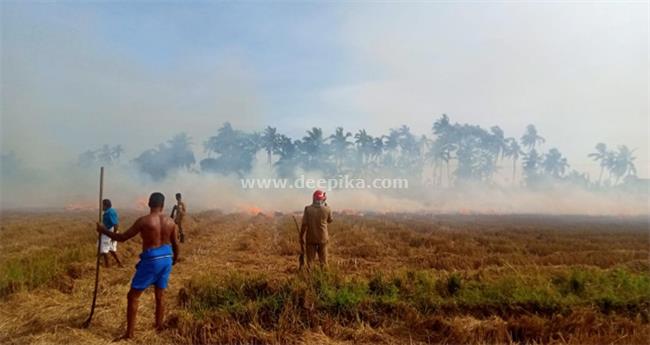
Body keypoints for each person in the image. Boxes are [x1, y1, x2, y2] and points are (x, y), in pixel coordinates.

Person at [96, 192, 179, 340]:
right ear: (163, 205)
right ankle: (159, 326)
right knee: (160, 294)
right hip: (167, 258)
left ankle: (129, 334)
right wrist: (174, 259)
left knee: (133, 296)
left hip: (151, 260)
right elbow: (176, 244)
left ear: (149, 204)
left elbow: (122, 238)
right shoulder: (171, 222)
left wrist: (103, 230)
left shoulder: (144, 221)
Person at [300, 190, 333, 269]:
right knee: (324, 262)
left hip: (311, 238)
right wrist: (325, 204)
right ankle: (324, 278)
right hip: (323, 238)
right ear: (323, 199)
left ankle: (309, 277)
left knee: (310, 262)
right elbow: (330, 220)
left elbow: (304, 224)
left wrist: (301, 236)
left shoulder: (308, 209)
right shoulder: (327, 209)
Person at [100, 199, 122, 268]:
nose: (101, 207)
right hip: (109, 231)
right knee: (111, 249)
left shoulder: (110, 212)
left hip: (109, 232)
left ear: (106, 205)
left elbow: (115, 225)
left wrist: (113, 235)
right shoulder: (110, 211)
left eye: (102, 205)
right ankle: (119, 263)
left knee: (104, 249)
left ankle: (107, 266)